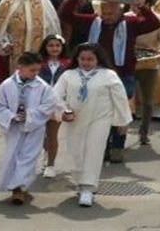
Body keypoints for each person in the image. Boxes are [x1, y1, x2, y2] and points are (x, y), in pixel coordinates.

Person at [59, 0, 160, 163]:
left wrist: (142, 7)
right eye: (104, 13)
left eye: (111, 13)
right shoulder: (93, 22)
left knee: (119, 110)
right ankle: (104, 146)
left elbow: (153, 24)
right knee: (101, 111)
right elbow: (66, 15)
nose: (107, 16)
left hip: (123, 74)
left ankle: (117, 146)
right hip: (97, 75)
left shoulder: (130, 23)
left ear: (120, 11)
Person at [50, 43, 132, 207]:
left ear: (98, 59)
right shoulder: (68, 75)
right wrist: (64, 111)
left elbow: (120, 97)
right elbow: (55, 96)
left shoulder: (108, 75)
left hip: (100, 119)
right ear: (77, 59)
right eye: (82, 59)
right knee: (76, 151)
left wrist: (123, 120)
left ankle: (88, 187)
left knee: (93, 151)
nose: (86, 62)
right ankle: (80, 182)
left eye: (90, 59)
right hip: (75, 120)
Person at [0, 51, 57, 206]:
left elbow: (48, 105)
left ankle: (19, 188)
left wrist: (30, 115)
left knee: (28, 156)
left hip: (34, 128)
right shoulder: (7, 85)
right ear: (20, 67)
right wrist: (10, 116)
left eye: (38, 70)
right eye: (32, 70)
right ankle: (18, 186)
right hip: (14, 128)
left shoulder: (42, 87)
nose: (35, 73)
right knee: (13, 156)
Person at [0, 0, 61, 64]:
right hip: (14, 49)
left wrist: (52, 44)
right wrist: (4, 43)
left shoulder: (42, 0)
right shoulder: (7, 1)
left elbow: (52, 23)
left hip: (38, 48)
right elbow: (0, 25)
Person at [133, 0, 160, 145]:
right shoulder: (126, 18)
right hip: (129, 61)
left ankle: (144, 132)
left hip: (149, 62)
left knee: (148, 100)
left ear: (147, 4)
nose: (135, 7)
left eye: (139, 4)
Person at [38, 35, 70, 178]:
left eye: (57, 45)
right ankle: (46, 153)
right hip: (39, 103)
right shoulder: (39, 63)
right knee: (40, 135)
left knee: (52, 135)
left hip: (57, 104)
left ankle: (50, 164)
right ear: (45, 47)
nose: (54, 48)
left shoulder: (68, 64)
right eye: (50, 45)